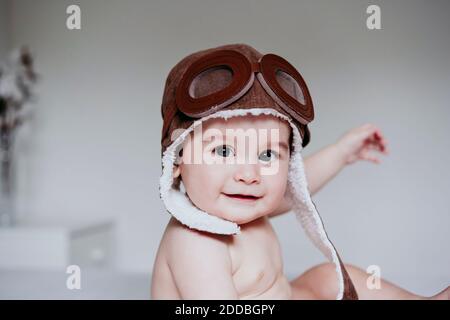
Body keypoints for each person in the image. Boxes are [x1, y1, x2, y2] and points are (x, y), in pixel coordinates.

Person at [151, 43, 448, 300]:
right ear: (176, 159)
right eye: (224, 151)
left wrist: (341, 153)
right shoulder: (197, 242)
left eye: (268, 154)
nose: (249, 174)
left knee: (328, 277)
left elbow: (298, 189)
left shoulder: (243, 206)